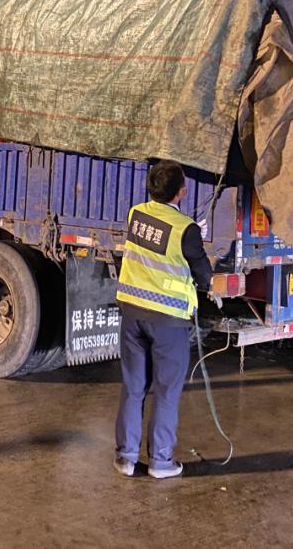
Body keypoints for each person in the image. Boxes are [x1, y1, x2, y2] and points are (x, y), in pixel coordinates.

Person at [113, 159, 213, 479]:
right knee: (166, 391)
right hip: (168, 319)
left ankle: (126, 459)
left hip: (131, 314)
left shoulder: (135, 214)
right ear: (181, 192)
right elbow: (203, 273)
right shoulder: (187, 230)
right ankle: (161, 461)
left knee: (133, 387)